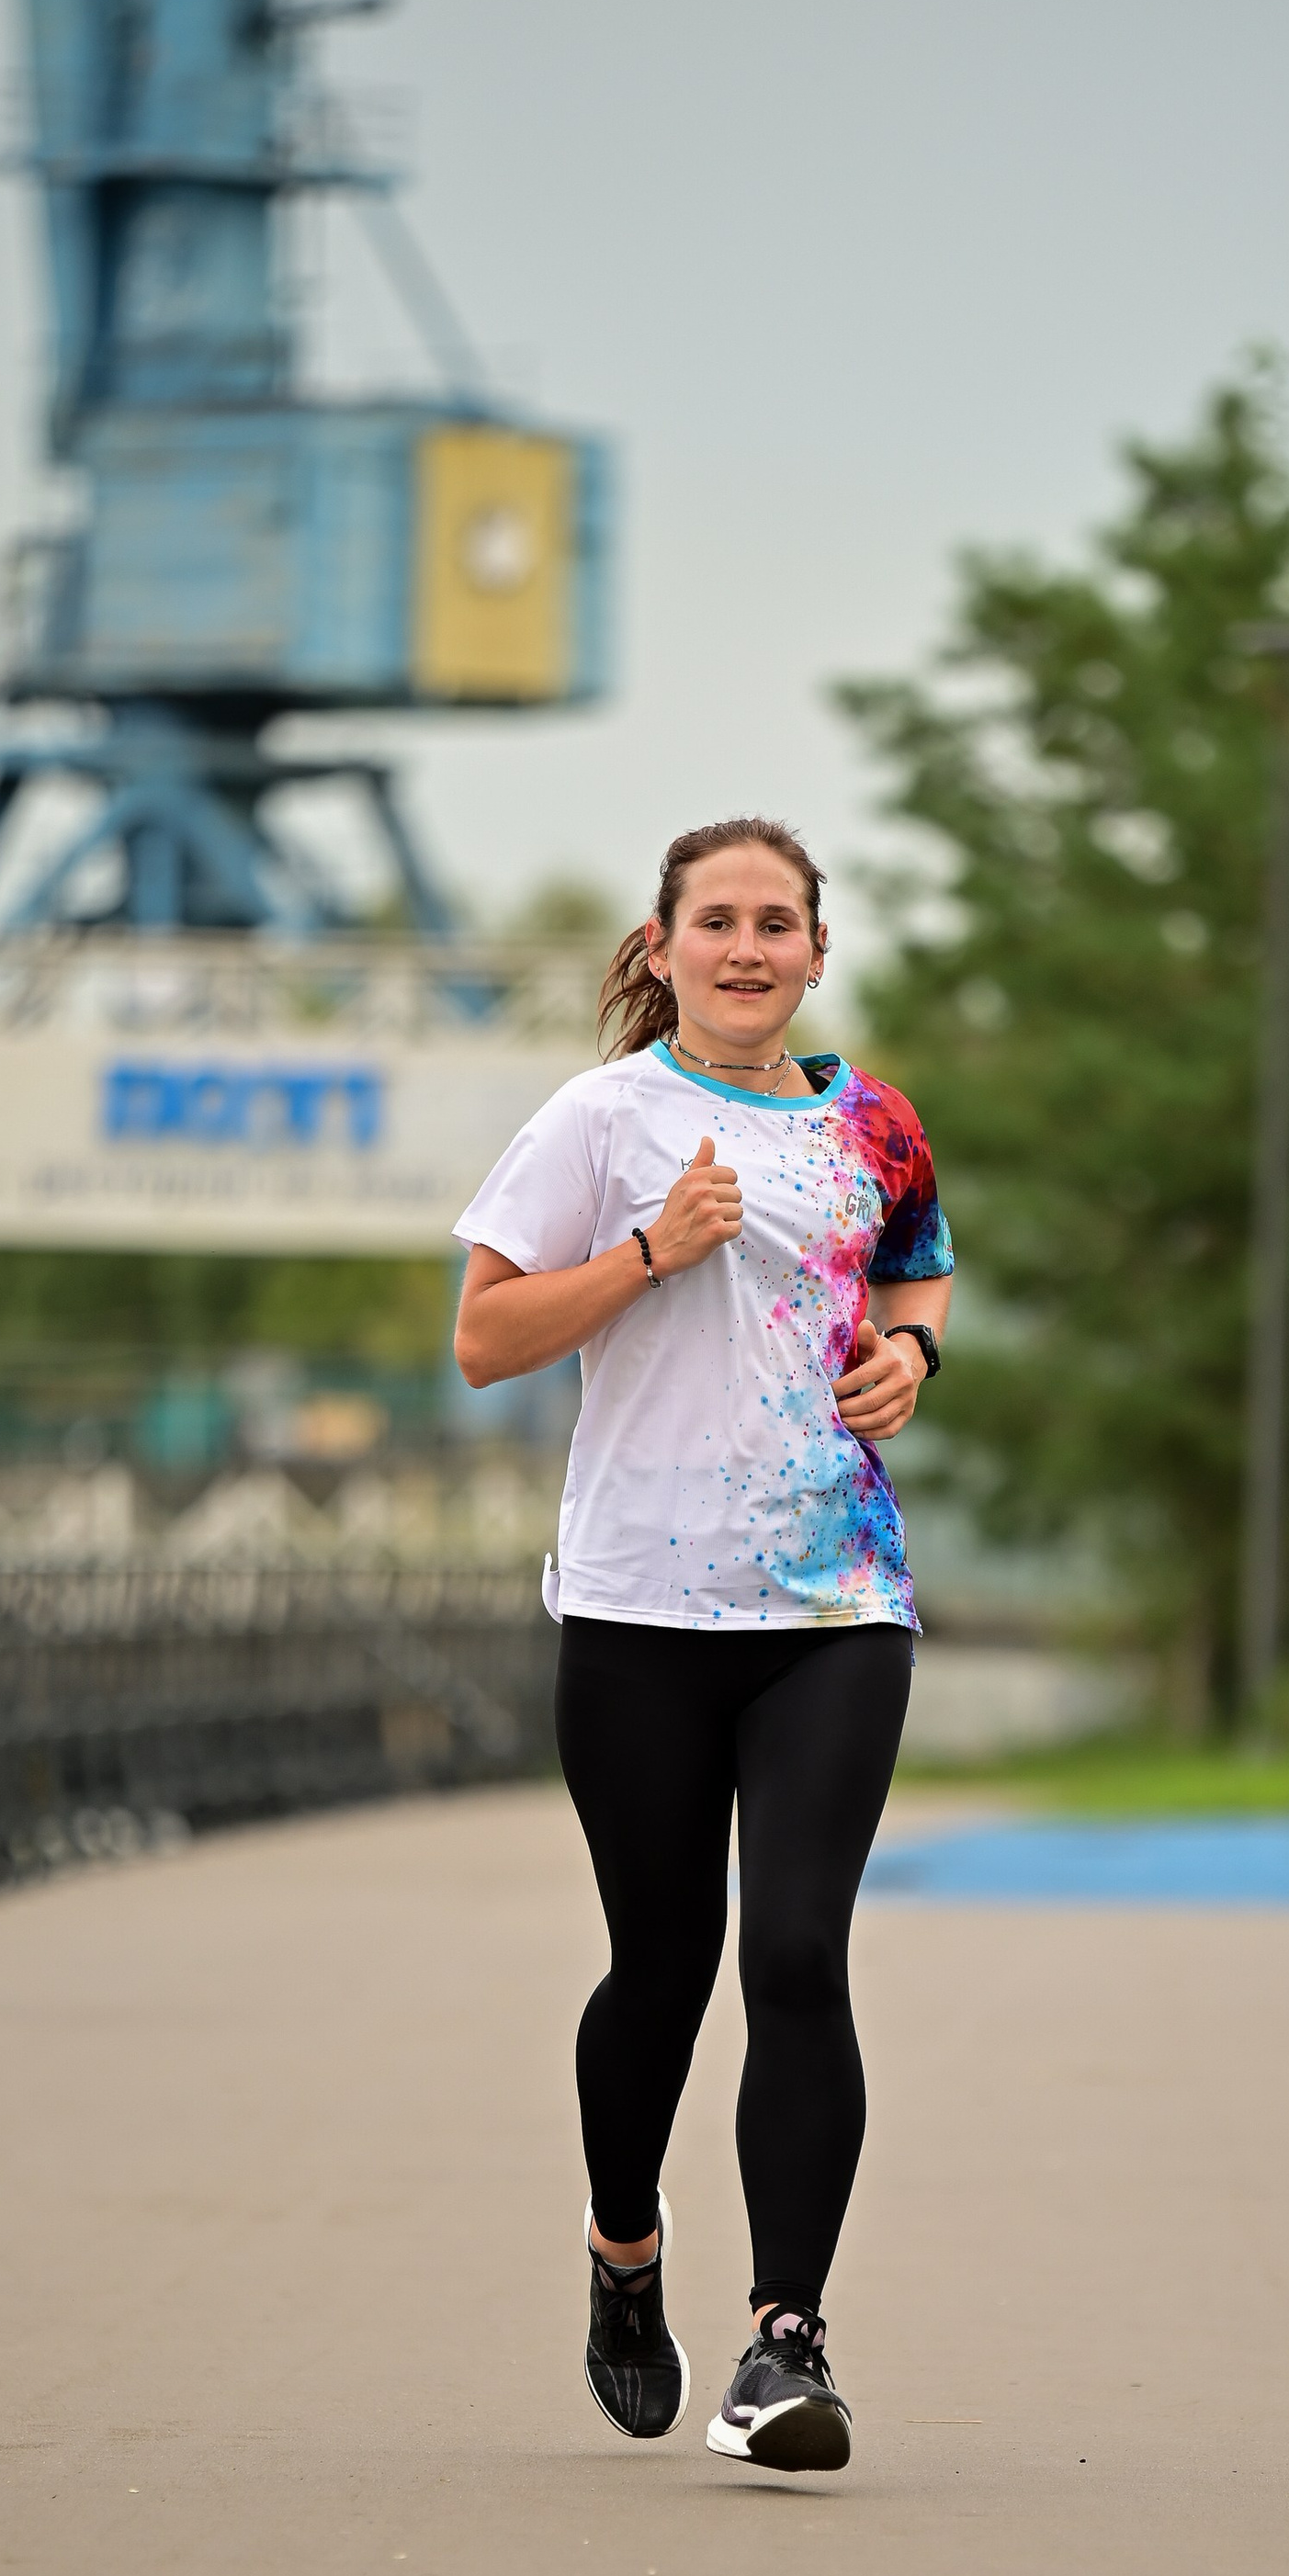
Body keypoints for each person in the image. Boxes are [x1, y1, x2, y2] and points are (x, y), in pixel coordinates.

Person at [451, 817, 952, 2473]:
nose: (748, 948)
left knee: (797, 1953)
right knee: (661, 1970)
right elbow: (483, 1338)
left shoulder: (874, 1122)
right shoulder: (601, 1119)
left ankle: (786, 2343)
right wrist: (651, 1250)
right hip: (638, 1611)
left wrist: (907, 1362)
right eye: (715, 922)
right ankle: (623, 2253)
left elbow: (917, 1281)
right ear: (662, 948)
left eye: (777, 923)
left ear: (820, 949)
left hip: (833, 1603)